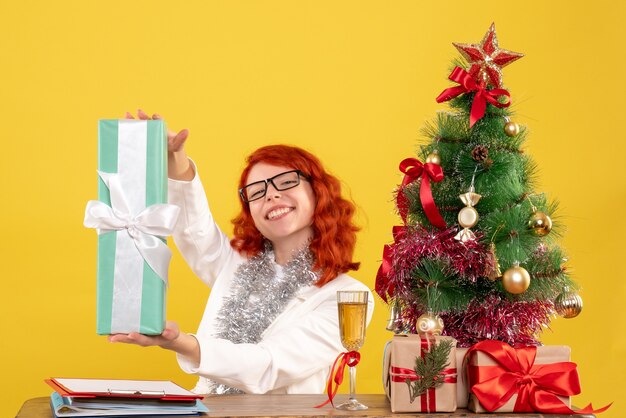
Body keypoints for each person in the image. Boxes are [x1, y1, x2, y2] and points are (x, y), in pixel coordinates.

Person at [109, 110, 374, 395]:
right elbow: (192, 230)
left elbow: (271, 366)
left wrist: (181, 343)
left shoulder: (348, 297)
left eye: (286, 182)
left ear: (318, 192)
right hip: (205, 410)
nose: (271, 195)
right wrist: (176, 159)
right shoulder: (236, 263)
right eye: (257, 192)